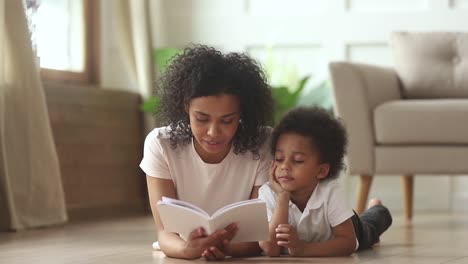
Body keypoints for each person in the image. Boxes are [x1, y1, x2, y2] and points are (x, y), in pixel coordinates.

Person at [140, 45, 274, 260]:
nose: (213, 132)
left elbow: (260, 234)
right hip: (184, 245)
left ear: (242, 112)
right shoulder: (160, 144)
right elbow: (165, 233)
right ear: (186, 107)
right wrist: (187, 250)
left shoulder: (263, 143)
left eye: (227, 120)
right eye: (201, 119)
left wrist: (225, 248)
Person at [258, 107, 392, 257]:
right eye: (279, 158)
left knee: (370, 229)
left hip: (350, 229)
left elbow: (349, 243)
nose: (285, 167)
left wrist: (303, 249)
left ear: (321, 171)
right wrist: (283, 198)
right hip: (317, 233)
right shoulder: (267, 193)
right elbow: (271, 249)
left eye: (298, 160)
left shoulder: (330, 191)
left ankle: (377, 209)